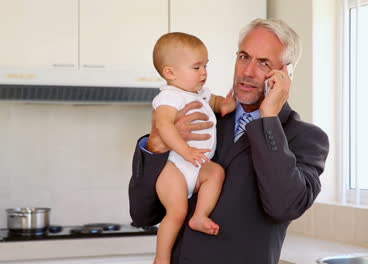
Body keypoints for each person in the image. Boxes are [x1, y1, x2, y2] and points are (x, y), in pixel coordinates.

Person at [129, 18, 329, 264]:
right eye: (244, 57)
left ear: (285, 74)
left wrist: (268, 119)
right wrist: (156, 147)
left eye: (263, 63)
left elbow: (284, 207)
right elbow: (142, 214)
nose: (247, 71)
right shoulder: (199, 118)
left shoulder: (306, 138)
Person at [149, 32, 236, 264]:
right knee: (176, 213)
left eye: (205, 65)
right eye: (196, 67)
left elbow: (215, 101)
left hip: (197, 167)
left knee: (216, 172)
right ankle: (161, 258)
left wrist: (225, 103)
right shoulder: (169, 97)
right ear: (170, 73)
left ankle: (199, 216)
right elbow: (164, 126)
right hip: (175, 167)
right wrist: (186, 151)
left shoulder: (200, 93)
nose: (204, 72)